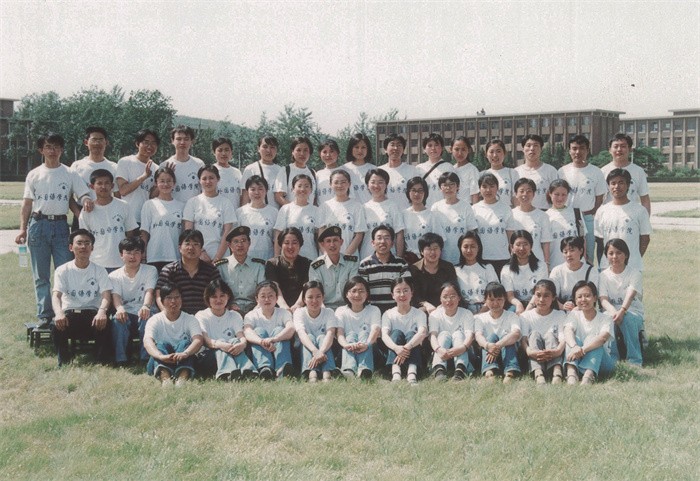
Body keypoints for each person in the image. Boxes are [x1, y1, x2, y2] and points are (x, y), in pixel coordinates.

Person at [16, 133, 94, 328]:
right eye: (48, 147)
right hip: (38, 225)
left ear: (61, 150)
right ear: (41, 150)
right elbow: (27, 204)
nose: (52, 151)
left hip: (60, 226)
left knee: (66, 271)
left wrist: (86, 200)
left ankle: (66, 311)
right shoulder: (34, 174)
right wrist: (22, 229)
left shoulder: (69, 173)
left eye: (56, 147)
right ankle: (44, 314)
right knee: (41, 275)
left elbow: (82, 194)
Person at [51, 229, 112, 367]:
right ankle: (64, 361)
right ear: (71, 247)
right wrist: (59, 313)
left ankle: (101, 361)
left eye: (87, 243)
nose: (83, 247)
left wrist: (102, 312)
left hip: (93, 314)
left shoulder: (100, 270)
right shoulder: (62, 270)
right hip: (70, 314)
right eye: (79, 243)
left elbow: (106, 295)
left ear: (92, 248)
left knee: (106, 323)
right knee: (56, 324)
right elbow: (56, 296)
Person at [558, 135, 606, 264]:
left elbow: (599, 198)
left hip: (587, 218)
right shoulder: (562, 172)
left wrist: (590, 213)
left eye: (582, 148)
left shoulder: (596, 172)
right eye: (574, 148)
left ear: (587, 150)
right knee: (567, 253)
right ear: (569, 151)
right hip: (567, 217)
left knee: (587, 254)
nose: (578, 152)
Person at [143, 282, 204, 386]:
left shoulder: (190, 319)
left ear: (182, 299)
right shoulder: (154, 319)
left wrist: (185, 353)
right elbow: (147, 341)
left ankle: (182, 378)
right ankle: (165, 379)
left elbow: (198, 340)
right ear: (162, 301)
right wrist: (161, 356)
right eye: (169, 298)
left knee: (185, 343)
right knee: (161, 344)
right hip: (161, 358)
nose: (173, 301)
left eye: (177, 297)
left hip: (184, 359)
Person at [195, 279, 256, 381]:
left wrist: (242, 344)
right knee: (222, 341)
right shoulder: (201, 315)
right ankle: (226, 373)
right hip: (209, 356)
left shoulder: (234, 315)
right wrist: (220, 345)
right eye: (214, 297)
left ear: (228, 296)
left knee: (235, 340)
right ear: (208, 298)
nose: (218, 300)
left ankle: (247, 370)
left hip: (232, 352)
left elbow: (241, 336)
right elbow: (206, 341)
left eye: (222, 295)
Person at [109, 237, 157, 366]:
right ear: (121, 255)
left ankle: (146, 357)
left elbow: (149, 291)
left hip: (145, 309)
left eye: (136, 252)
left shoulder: (150, 270)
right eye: (128, 252)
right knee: (117, 320)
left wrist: (146, 306)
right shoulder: (114, 276)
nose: (132, 256)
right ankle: (121, 359)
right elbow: (116, 296)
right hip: (126, 310)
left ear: (142, 254)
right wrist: (119, 309)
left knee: (147, 318)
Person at [79, 169, 138, 272]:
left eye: (107, 183)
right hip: (97, 263)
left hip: (121, 263)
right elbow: (84, 239)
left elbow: (130, 234)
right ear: (92, 186)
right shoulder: (86, 211)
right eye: (99, 183)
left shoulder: (123, 206)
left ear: (112, 186)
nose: (103, 186)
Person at [598, 239, 645, 367]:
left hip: (632, 311)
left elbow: (630, 296)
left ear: (626, 255)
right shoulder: (603, 276)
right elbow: (603, 299)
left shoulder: (634, 273)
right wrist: (615, 313)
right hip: (611, 311)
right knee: (607, 318)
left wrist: (622, 311)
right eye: (611, 253)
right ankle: (612, 358)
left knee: (627, 319)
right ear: (606, 256)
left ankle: (635, 360)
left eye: (619, 253)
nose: (615, 257)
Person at [594, 169, 652, 272]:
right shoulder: (602, 211)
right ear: (608, 186)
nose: (617, 186)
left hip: (632, 266)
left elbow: (645, 239)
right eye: (613, 183)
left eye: (621, 183)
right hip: (607, 267)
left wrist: (634, 258)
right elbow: (600, 240)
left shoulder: (639, 210)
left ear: (628, 185)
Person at [156, 229, 221, 315]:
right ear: (179, 248)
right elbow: (159, 295)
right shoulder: (169, 270)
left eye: (196, 244)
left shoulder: (211, 270)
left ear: (201, 248)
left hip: (204, 317)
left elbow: (218, 295)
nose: (191, 248)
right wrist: (167, 314)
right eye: (187, 244)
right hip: (176, 317)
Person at [564, 281, 615, 384]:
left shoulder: (606, 318)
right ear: (575, 300)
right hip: (578, 357)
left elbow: (602, 338)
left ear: (595, 298)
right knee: (572, 340)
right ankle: (571, 374)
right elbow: (567, 331)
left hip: (601, 362)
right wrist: (574, 347)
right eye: (579, 297)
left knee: (594, 339)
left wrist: (581, 350)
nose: (583, 299)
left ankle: (588, 376)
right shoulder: (574, 315)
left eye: (587, 296)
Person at [183, 165, 237, 264]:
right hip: (197, 256)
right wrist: (201, 252)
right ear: (199, 181)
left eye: (211, 178)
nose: (208, 182)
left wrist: (217, 258)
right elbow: (188, 232)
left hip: (221, 257)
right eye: (204, 179)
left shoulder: (226, 203)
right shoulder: (192, 202)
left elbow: (227, 232)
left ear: (218, 179)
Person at [243, 281, 295, 380]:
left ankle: (282, 368)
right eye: (263, 296)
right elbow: (247, 331)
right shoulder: (251, 315)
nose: (267, 299)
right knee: (258, 331)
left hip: (278, 348)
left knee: (279, 330)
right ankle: (265, 369)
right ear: (257, 299)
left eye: (270, 296)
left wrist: (274, 339)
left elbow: (291, 328)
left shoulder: (284, 313)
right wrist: (261, 342)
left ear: (276, 298)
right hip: (261, 350)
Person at [381, 277, 428, 385]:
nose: (402, 294)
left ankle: (412, 374)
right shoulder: (388, 314)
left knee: (412, 334)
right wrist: (396, 348)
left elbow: (422, 333)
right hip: (395, 352)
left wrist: (406, 348)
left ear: (412, 293)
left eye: (406, 290)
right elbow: (384, 335)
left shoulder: (419, 314)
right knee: (396, 333)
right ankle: (396, 373)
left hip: (414, 354)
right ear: (392, 295)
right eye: (398, 291)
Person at [520, 280, 566, 384]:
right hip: (534, 354)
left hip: (553, 353)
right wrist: (529, 352)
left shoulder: (560, 315)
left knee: (550, 335)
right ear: (533, 296)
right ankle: (538, 373)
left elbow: (563, 339)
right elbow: (523, 339)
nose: (541, 299)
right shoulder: (526, 316)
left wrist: (558, 351)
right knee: (534, 334)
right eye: (538, 295)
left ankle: (557, 371)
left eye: (546, 296)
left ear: (553, 297)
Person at [474, 282, 522, 383]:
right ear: (485, 300)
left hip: (508, 353)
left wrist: (498, 345)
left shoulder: (512, 316)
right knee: (490, 337)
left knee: (508, 338)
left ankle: (510, 371)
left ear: (505, 299)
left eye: (499, 299)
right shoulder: (480, 318)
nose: (495, 303)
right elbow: (478, 336)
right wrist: (488, 345)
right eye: (491, 300)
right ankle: (489, 371)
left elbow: (516, 334)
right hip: (488, 353)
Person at [139, 166, 184, 272]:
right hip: (154, 255)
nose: (165, 184)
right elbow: (144, 232)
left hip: (175, 255)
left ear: (174, 183)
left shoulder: (182, 206)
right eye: (162, 181)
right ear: (156, 183)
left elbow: (183, 233)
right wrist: (143, 252)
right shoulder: (149, 204)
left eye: (169, 181)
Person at [335, 276, 381, 379]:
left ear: (367, 294)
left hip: (370, 349)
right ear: (346, 294)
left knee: (364, 334)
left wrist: (366, 345)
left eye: (361, 291)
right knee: (350, 336)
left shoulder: (374, 310)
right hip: (347, 351)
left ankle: (364, 370)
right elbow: (339, 333)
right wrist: (347, 345)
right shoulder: (340, 311)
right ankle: (349, 370)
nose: (357, 295)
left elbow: (375, 331)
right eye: (353, 291)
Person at [358, 225, 411, 313]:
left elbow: (407, 289)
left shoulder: (401, 264)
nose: (382, 241)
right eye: (379, 238)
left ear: (392, 243)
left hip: (396, 311)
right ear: (373, 243)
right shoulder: (365, 264)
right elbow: (362, 291)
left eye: (386, 238)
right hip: (372, 312)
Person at [428, 281, 476, 381]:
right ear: (440, 299)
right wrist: (439, 350)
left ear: (459, 298)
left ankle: (460, 371)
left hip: (463, 352)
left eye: (453, 296)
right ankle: (439, 370)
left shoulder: (467, 313)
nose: (449, 300)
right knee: (444, 334)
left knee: (458, 334)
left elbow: (470, 336)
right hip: (441, 354)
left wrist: (462, 348)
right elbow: (433, 336)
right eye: (445, 297)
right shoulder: (435, 315)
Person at [215, 226, 266, 316]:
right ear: (229, 245)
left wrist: (257, 308)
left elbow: (263, 291)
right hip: (229, 310)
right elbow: (218, 292)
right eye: (236, 241)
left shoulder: (259, 266)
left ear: (249, 243)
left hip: (254, 309)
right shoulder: (221, 267)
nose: (240, 245)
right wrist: (228, 305)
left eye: (243, 241)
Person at [472, 173, 516, 276]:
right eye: (484, 186)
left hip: (502, 257)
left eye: (492, 186)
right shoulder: (474, 209)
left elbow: (510, 236)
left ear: (497, 188)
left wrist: (513, 256)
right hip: (481, 257)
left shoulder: (506, 209)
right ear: (479, 189)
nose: (488, 190)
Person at [293, 281, 339, 382]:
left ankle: (327, 372)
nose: (314, 300)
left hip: (324, 348)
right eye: (310, 297)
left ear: (323, 297)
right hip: (304, 347)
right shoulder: (299, 313)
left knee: (322, 337)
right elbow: (302, 335)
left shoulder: (329, 312)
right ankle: (312, 372)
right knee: (309, 336)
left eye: (318, 296)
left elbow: (330, 334)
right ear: (304, 299)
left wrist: (320, 352)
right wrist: (315, 351)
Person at [429, 172, 478, 265]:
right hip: (441, 257)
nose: (448, 188)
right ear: (440, 188)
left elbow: (472, 232)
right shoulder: (436, 207)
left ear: (458, 186)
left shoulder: (466, 206)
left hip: (462, 257)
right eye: (445, 185)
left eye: (452, 184)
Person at [308, 226, 359, 310]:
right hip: (325, 308)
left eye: (335, 240)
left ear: (341, 242)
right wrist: (324, 312)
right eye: (328, 241)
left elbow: (354, 289)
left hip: (347, 308)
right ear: (323, 244)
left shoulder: (352, 263)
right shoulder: (316, 266)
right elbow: (315, 293)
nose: (332, 244)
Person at [116, 129, 159, 225]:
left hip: (146, 219)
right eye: (146, 142)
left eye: (153, 143)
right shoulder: (125, 162)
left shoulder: (157, 168)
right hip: (127, 218)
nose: (149, 146)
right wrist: (144, 176)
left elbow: (152, 196)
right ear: (137, 144)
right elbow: (123, 191)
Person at [318, 169, 366, 255]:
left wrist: (345, 257)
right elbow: (320, 234)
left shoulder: (357, 206)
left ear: (349, 184)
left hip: (350, 257)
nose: (340, 185)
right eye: (336, 182)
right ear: (330, 184)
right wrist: (327, 255)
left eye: (343, 182)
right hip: (328, 257)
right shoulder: (324, 206)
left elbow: (359, 235)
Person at [360, 168, 406, 259]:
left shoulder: (393, 206)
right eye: (373, 182)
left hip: (389, 257)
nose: (376, 186)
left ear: (386, 184)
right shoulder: (364, 207)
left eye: (380, 182)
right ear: (367, 185)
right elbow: (360, 236)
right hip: (367, 256)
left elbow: (399, 234)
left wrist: (399, 258)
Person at [601, 133, 651, 215]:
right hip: (610, 216)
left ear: (630, 149)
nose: (619, 149)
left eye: (623, 146)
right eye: (616, 146)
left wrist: (645, 218)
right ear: (610, 150)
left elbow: (644, 198)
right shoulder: (602, 171)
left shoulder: (638, 171)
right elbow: (599, 199)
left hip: (632, 216)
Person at [501, 230, 549, 314]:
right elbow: (510, 296)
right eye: (518, 245)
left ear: (531, 246)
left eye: (525, 244)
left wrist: (527, 311)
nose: (521, 248)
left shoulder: (541, 266)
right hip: (516, 304)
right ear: (512, 247)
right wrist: (519, 305)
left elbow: (540, 291)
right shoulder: (506, 269)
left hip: (536, 302)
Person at [408, 233, 457, 315]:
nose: (433, 252)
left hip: (445, 306)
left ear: (441, 250)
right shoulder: (414, 269)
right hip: (423, 309)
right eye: (429, 249)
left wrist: (443, 306)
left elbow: (453, 289)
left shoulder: (448, 267)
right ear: (421, 251)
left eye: (436, 248)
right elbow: (414, 295)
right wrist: (426, 304)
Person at [70, 127, 119, 209]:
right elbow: (69, 195)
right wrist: (79, 214)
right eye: (94, 139)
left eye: (100, 140)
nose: (97, 143)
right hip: (82, 211)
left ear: (106, 142)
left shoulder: (114, 167)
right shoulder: (76, 166)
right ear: (86, 142)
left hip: (106, 211)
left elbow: (117, 195)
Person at [273, 174, 319, 260]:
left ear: (311, 190)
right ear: (293, 189)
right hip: (288, 258)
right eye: (299, 186)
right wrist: (276, 257)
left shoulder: (316, 210)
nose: (302, 189)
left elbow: (319, 238)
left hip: (310, 257)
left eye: (306, 186)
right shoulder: (286, 209)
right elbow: (278, 235)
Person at [265, 227, 312, 312]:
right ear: (281, 245)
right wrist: (283, 306)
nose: (290, 247)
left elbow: (307, 287)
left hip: (302, 309)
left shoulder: (307, 263)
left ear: (300, 245)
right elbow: (275, 287)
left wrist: (298, 305)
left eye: (294, 243)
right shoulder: (272, 264)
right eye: (286, 243)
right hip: (278, 309)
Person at [549, 236, 599, 311]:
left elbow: (593, 296)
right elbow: (551, 295)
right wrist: (562, 306)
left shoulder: (591, 271)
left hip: (584, 311)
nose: (568, 255)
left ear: (581, 250)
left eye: (572, 250)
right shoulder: (556, 271)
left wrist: (576, 309)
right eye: (565, 252)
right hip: (561, 311)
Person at [236, 175, 279, 260]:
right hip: (245, 259)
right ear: (247, 191)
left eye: (260, 189)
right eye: (253, 189)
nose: (257, 192)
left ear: (266, 191)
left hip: (267, 259)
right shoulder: (240, 212)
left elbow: (276, 239)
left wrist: (275, 259)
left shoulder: (274, 212)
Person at [511, 177, 552, 266]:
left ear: (533, 194)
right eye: (521, 191)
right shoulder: (510, 214)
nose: (525, 194)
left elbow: (546, 243)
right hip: (516, 263)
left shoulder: (543, 216)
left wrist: (547, 264)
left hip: (537, 262)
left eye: (529, 191)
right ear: (516, 194)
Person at [455, 232, 498, 314]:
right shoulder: (456, 270)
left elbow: (495, 292)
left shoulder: (487, 267)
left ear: (478, 248)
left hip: (487, 309)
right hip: (464, 311)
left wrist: (480, 313)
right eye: (465, 247)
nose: (469, 250)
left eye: (473, 246)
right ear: (460, 248)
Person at [546, 179, 585, 269]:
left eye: (564, 194)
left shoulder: (577, 213)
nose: (560, 198)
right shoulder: (545, 216)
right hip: (555, 265)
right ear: (550, 194)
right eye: (556, 194)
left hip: (577, 266)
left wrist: (584, 259)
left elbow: (582, 237)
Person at [162, 125, 206, 203]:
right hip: (173, 208)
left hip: (194, 208)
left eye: (186, 139)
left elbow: (204, 190)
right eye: (179, 139)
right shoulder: (165, 165)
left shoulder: (199, 164)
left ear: (192, 141)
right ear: (172, 141)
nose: (182, 142)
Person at [515, 134, 559, 210]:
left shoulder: (551, 170)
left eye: (535, 145)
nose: (532, 149)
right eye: (528, 145)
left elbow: (557, 194)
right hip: (522, 213)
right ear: (523, 149)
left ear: (541, 149)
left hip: (545, 213)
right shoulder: (515, 172)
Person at [274, 136, 317, 206]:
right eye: (298, 150)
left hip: (310, 212)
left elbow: (314, 197)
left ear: (310, 153)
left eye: (305, 150)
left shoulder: (313, 172)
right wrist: (294, 209)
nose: (302, 153)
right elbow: (278, 196)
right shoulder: (285, 171)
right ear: (293, 152)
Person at [241, 135, 282, 208]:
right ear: (258, 149)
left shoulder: (281, 170)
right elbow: (245, 197)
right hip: (256, 212)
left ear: (277, 150)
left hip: (276, 213)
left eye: (272, 147)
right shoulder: (250, 169)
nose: (269, 150)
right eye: (265, 147)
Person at [379, 133, 418, 208]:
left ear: (403, 150)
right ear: (385, 149)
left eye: (399, 145)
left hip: (406, 213)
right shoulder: (379, 171)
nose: (395, 148)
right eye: (392, 144)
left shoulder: (412, 170)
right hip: (386, 213)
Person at [416, 133, 454, 209]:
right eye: (430, 145)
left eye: (436, 145)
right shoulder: (419, 168)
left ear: (442, 148)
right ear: (424, 149)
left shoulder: (448, 167)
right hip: (424, 209)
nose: (433, 148)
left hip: (444, 209)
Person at [402, 176, 431, 264]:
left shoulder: (432, 215)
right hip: (408, 260)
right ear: (408, 192)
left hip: (428, 260)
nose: (416, 194)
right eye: (413, 190)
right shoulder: (403, 214)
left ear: (425, 193)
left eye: (420, 190)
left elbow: (438, 241)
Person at [482, 139, 518, 207]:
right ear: (486, 154)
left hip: (507, 211)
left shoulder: (512, 173)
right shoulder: (482, 174)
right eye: (491, 152)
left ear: (504, 153)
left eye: (498, 151)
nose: (495, 155)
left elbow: (515, 198)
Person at [211, 137, 243, 210]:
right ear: (214, 152)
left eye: (227, 150)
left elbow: (241, 196)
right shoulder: (210, 171)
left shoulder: (237, 172)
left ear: (231, 152)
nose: (224, 153)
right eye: (220, 150)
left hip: (235, 213)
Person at [342, 133, 374, 204]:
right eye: (356, 147)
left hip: (370, 209)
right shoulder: (343, 170)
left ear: (368, 149)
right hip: (350, 208)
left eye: (363, 147)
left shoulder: (374, 170)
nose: (360, 151)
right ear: (351, 148)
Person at [450, 136, 480, 205]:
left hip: (467, 207)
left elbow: (475, 194)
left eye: (463, 149)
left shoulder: (472, 170)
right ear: (451, 149)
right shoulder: (451, 169)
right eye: (457, 149)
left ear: (469, 150)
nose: (460, 153)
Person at [315, 139, 341, 205]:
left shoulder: (344, 172)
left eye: (331, 151)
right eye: (324, 152)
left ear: (338, 153)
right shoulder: (317, 174)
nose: (328, 155)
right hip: (322, 210)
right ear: (320, 154)